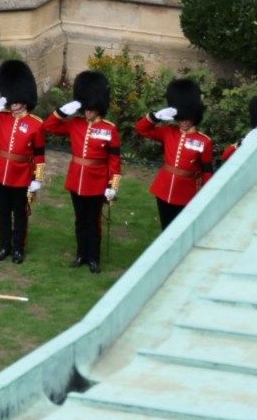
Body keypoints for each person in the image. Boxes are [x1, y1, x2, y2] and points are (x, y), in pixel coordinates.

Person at [45, 70, 123, 273]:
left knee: (93, 222)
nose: (88, 112)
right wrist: (62, 111)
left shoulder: (109, 129)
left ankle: (94, 259)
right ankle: (81, 254)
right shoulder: (75, 124)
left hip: (97, 182)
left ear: (98, 108)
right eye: (85, 108)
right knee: (80, 221)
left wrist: (112, 186)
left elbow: (114, 161)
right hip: (76, 180)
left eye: (91, 108)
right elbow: (49, 126)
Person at [0, 59, 46, 263]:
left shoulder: (35, 124)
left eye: (16, 100)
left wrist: (37, 178)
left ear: (25, 100)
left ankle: (18, 249)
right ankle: (4, 247)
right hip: (0, 172)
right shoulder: (1, 117)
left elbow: (39, 154)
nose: (13, 103)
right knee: (3, 212)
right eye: (11, 100)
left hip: (21, 175)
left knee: (20, 214)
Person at [139, 77, 217, 230]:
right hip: (164, 189)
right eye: (181, 118)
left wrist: (207, 195)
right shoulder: (168, 132)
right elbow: (142, 129)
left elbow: (207, 171)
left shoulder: (204, 141)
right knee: (166, 229)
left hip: (187, 192)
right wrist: (155, 117)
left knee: (183, 231)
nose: (184, 121)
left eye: (187, 118)